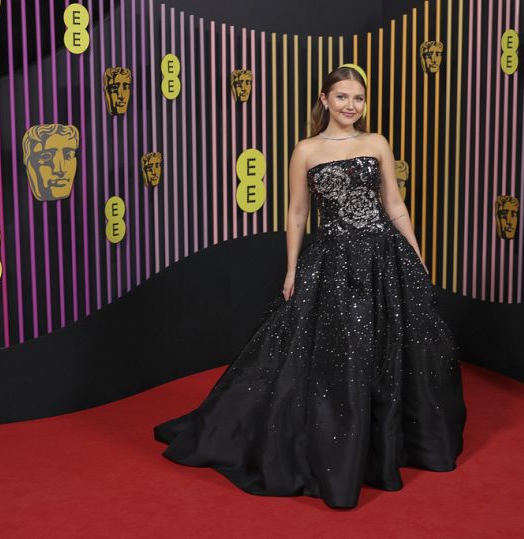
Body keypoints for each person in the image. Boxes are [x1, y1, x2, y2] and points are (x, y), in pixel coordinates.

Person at [154, 65, 467, 509]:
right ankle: (340, 450)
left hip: (383, 254)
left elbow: (394, 204)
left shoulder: (376, 142)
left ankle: (388, 446)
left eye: (358, 98)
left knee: (397, 348)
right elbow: (297, 214)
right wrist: (291, 270)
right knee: (342, 353)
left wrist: (415, 253)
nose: (351, 105)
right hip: (334, 261)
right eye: (342, 97)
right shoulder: (305, 150)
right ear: (324, 99)